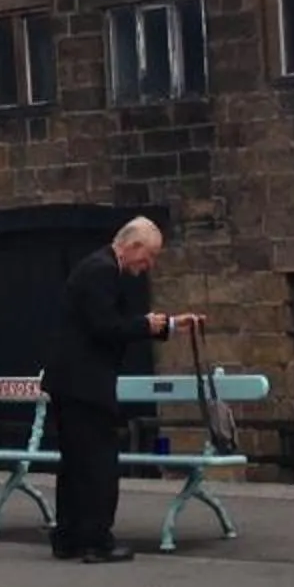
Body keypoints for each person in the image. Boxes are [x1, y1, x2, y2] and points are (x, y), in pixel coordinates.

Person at [41, 218, 200, 565]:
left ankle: (68, 537)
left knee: (75, 463)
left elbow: (118, 322)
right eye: (149, 256)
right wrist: (147, 325)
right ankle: (97, 540)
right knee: (98, 464)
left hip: (70, 382)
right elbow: (107, 327)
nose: (149, 266)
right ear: (133, 246)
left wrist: (169, 326)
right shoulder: (101, 272)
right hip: (85, 384)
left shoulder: (98, 268)